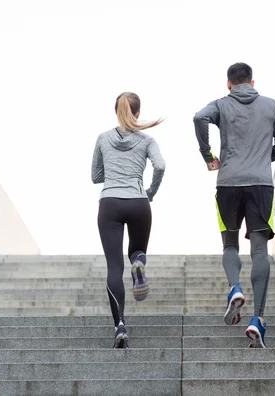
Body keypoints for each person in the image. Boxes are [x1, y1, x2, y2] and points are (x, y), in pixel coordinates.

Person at [193, 63, 275, 348]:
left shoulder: (221, 105)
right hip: (261, 185)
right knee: (260, 250)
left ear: (229, 84)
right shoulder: (271, 106)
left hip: (227, 184)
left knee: (230, 245)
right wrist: (261, 157)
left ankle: (234, 288)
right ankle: (257, 319)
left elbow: (199, 118)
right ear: (252, 81)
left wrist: (207, 155)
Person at [92, 92, 165, 348]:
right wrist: (150, 192)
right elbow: (160, 166)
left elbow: (95, 176)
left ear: (116, 112)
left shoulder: (103, 138)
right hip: (138, 202)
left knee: (114, 268)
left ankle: (120, 325)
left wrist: (114, 173)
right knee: (136, 251)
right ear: (138, 113)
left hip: (110, 202)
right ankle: (139, 262)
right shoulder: (147, 140)